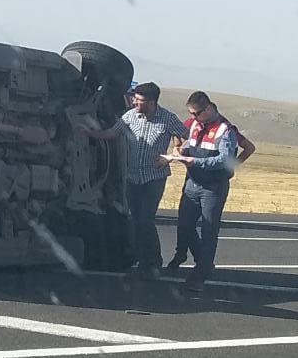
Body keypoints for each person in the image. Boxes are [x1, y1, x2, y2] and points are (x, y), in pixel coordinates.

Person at [76, 81, 186, 278]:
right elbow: (112, 133)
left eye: (140, 99)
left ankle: (153, 262)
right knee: (135, 220)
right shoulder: (130, 116)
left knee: (146, 220)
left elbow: (187, 137)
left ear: (152, 102)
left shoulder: (167, 118)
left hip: (154, 178)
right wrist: (92, 134)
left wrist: (172, 155)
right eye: (135, 98)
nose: (135, 102)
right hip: (133, 177)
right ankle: (140, 261)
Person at [163, 90, 240, 292]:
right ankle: (200, 261)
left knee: (209, 230)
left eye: (196, 113)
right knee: (184, 225)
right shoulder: (195, 125)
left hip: (213, 187)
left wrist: (195, 161)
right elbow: (186, 143)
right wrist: (181, 151)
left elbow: (225, 159)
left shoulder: (225, 130)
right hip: (192, 183)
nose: (192, 118)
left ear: (208, 108)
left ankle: (201, 273)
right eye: (190, 114)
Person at [165, 120, 254, 274]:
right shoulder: (192, 123)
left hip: (214, 183)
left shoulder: (224, 129)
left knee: (209, 227)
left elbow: (249, 147)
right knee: (185, 222)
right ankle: (185, 254)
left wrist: (231, 166)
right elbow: (177, 133)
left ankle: (201, 264)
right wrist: (177, 147)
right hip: (193, 179)